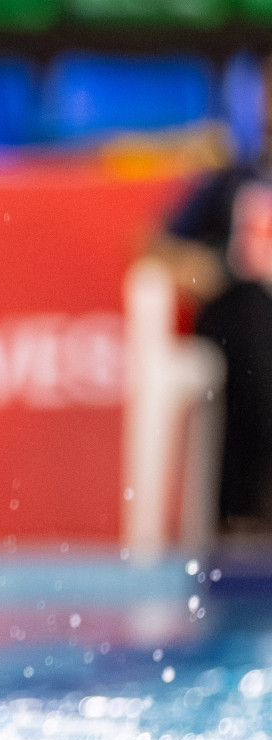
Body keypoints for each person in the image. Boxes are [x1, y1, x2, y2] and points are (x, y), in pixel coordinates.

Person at [151, 49, 272, 528]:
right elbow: (155, 245)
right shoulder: (231, 179)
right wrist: (196, 268)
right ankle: (245, 507)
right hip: (240, 315)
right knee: (252, 323)